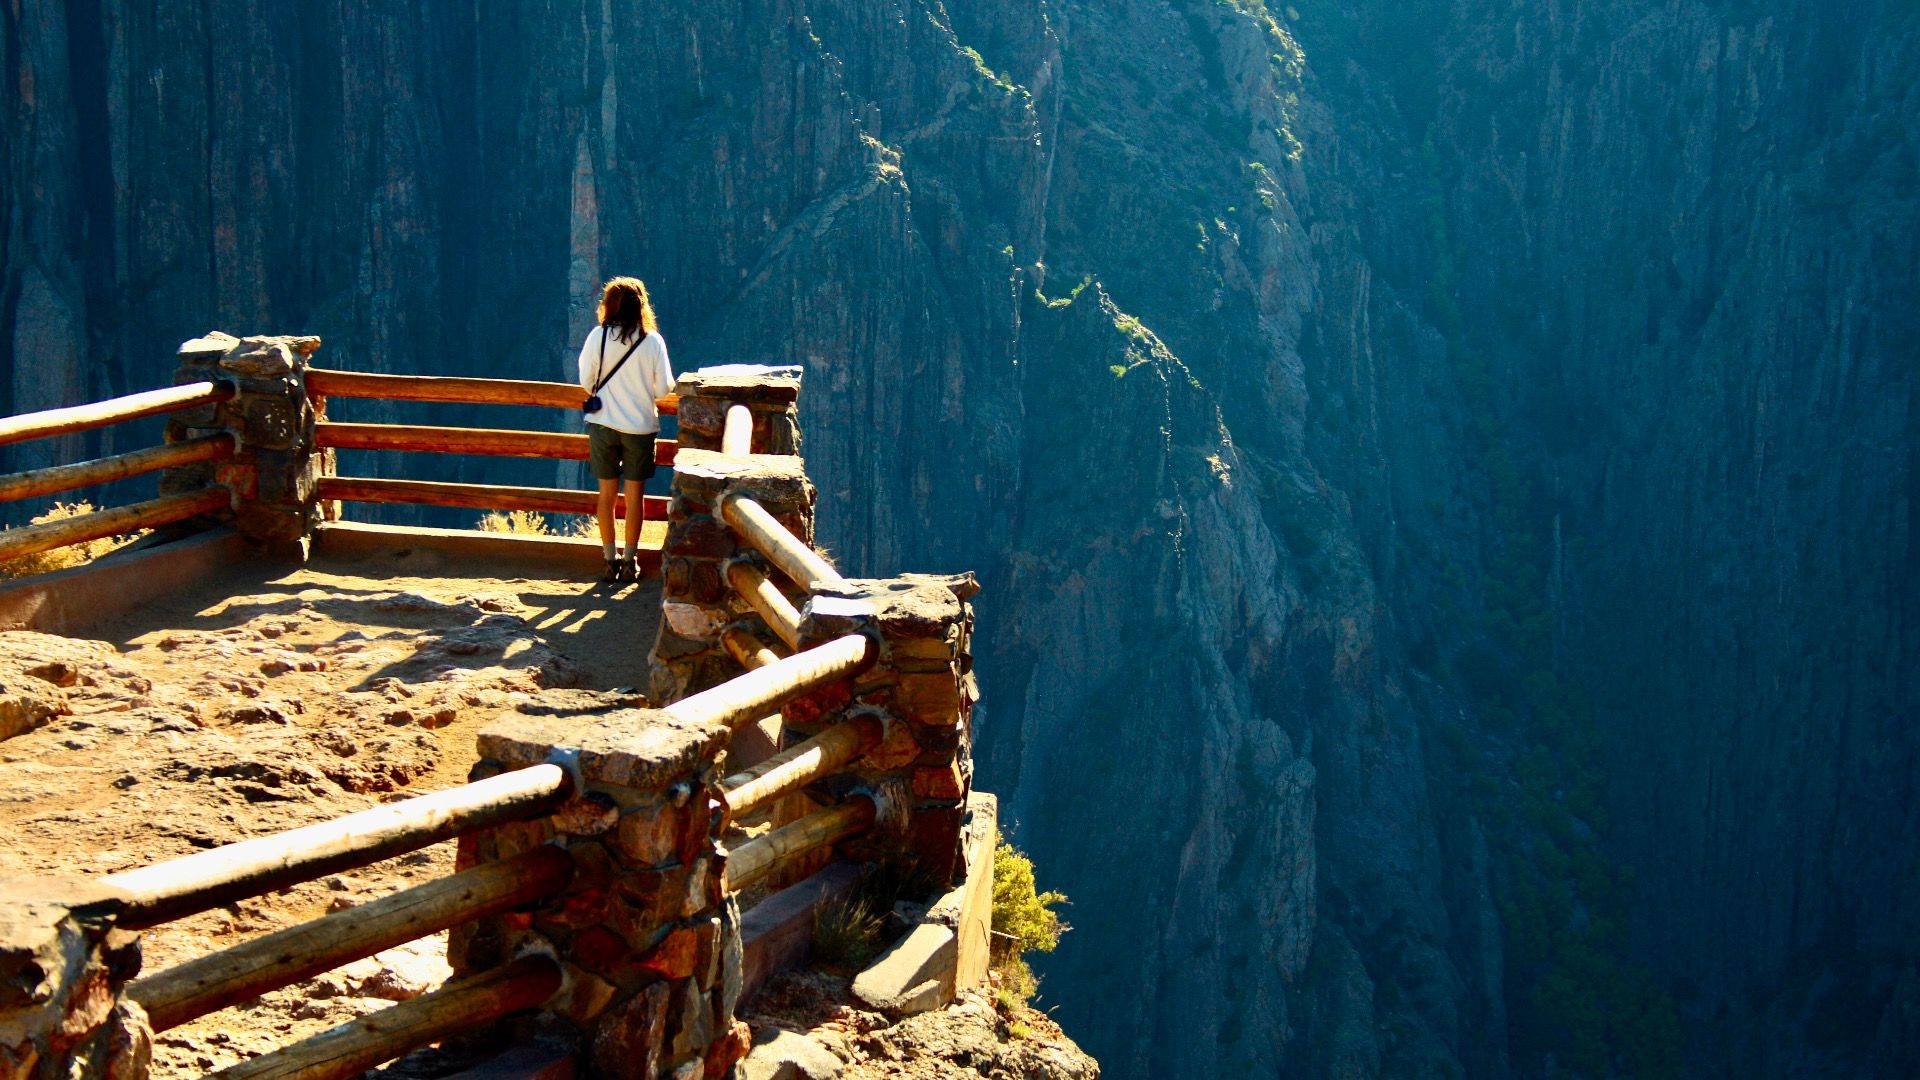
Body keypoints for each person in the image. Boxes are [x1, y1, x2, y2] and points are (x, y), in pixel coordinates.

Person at [578, 276, 674, 583]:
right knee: (635, 497)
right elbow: (663, 389)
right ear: (641, 306)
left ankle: (610, 559)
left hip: (603, 425)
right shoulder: (652, 342)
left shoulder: (598, 337)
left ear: (609, 306)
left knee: (606, 496)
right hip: (639, 428)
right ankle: (630, 561)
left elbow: (585, 380)